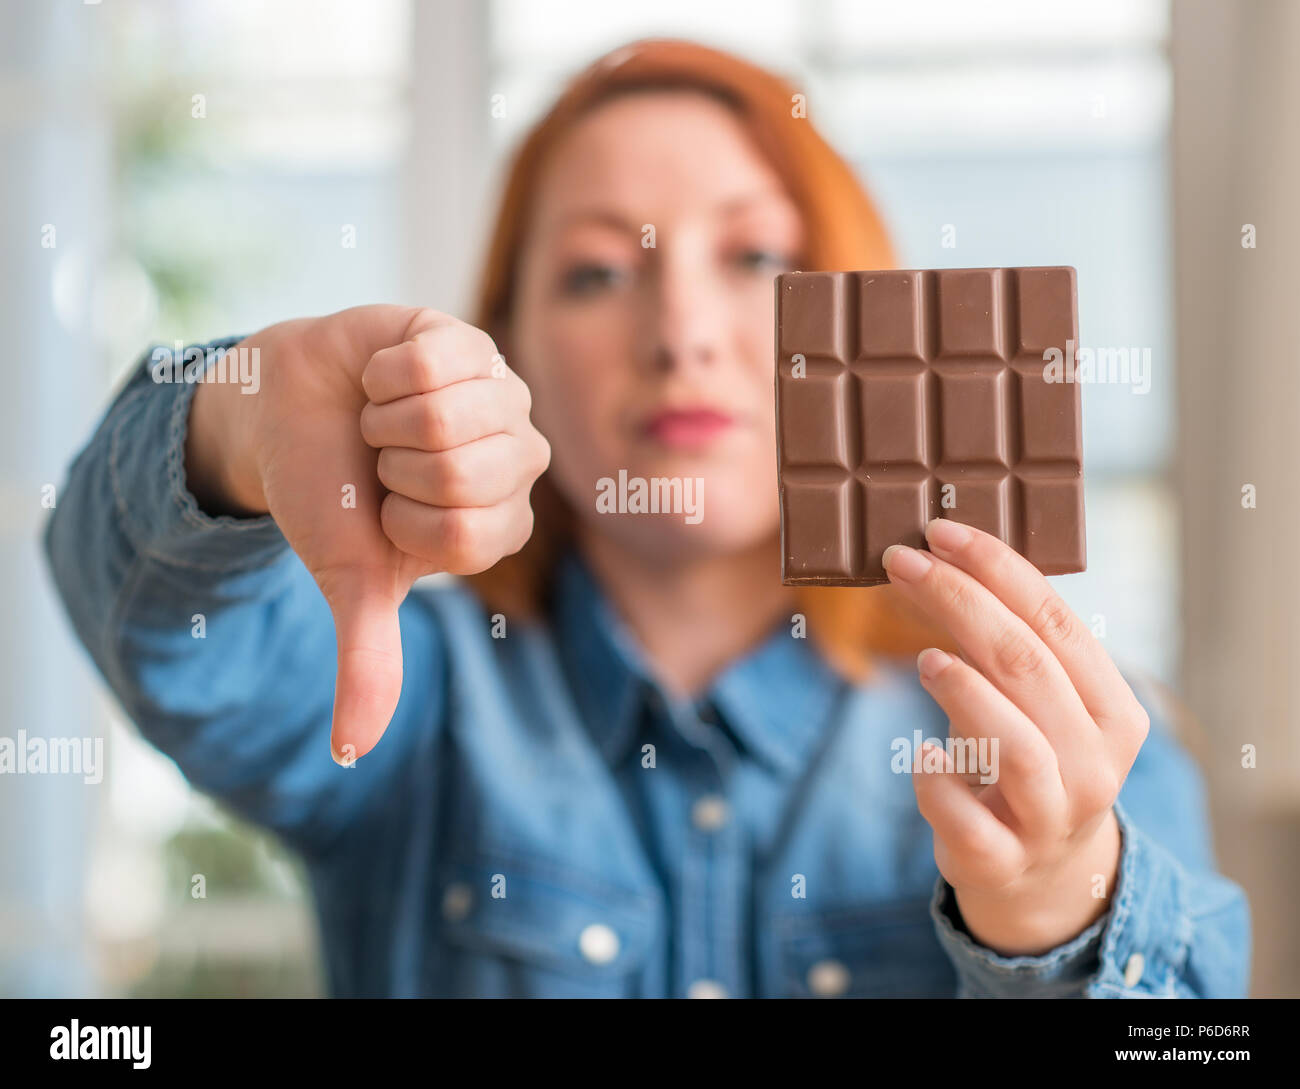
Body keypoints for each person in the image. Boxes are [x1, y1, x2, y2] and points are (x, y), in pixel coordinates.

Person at [44, 37, 1249, 998]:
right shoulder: (409, 708)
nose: (681, 332)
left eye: (756, 259)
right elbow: (140, 618)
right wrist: (231, 425)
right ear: (507, 346)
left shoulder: (1068, 741)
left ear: (862, 323)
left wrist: (1059, 921)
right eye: (597, 271)